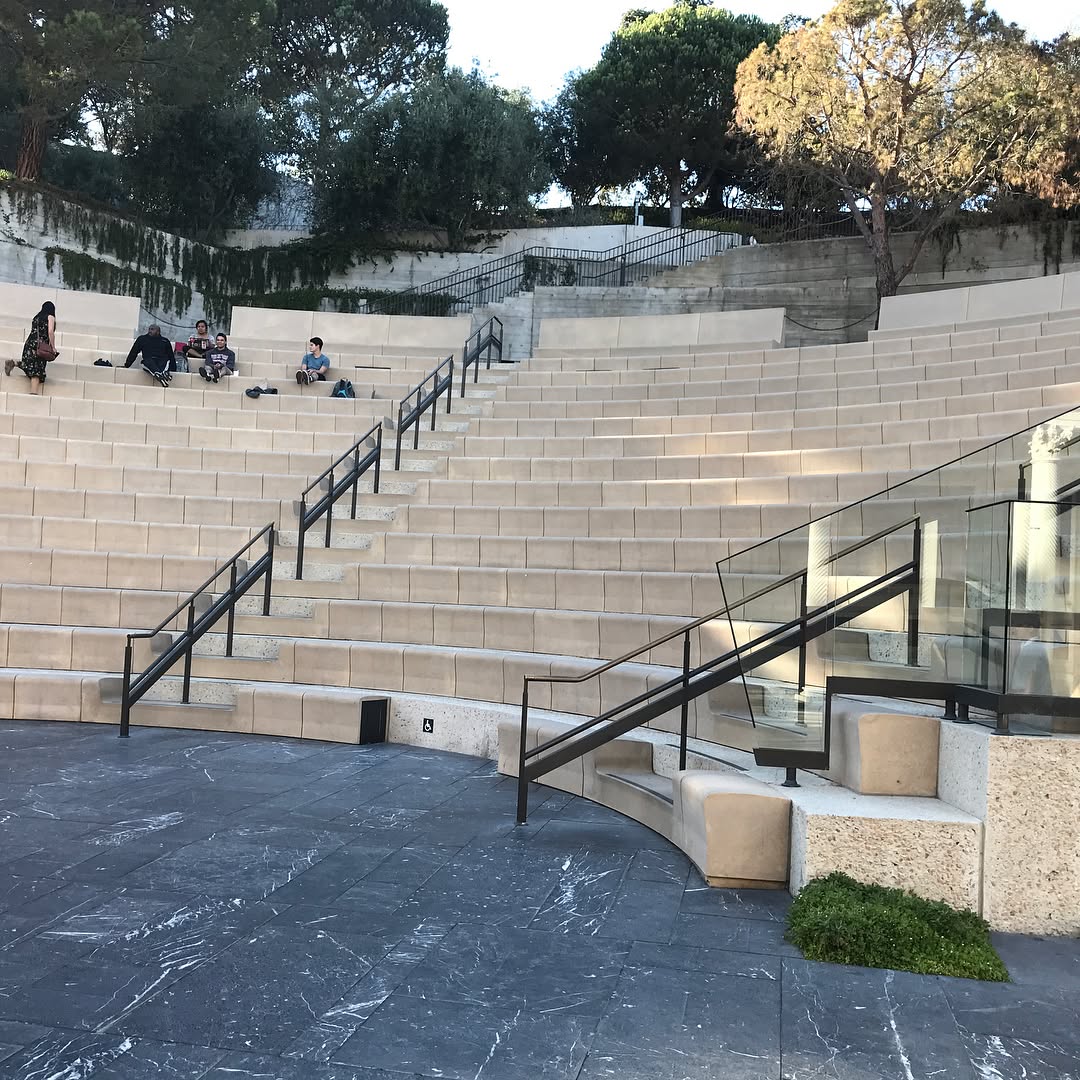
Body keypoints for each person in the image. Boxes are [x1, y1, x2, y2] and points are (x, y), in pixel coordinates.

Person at [6, 300, 57, 395]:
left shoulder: (36, 317)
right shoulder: (50, 317)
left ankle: (14, 363)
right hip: (40, 346)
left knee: (29, 363)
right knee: (37, 370)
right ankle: (33, 394)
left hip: (30, 344)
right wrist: (53, 347)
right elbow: (50, 331)